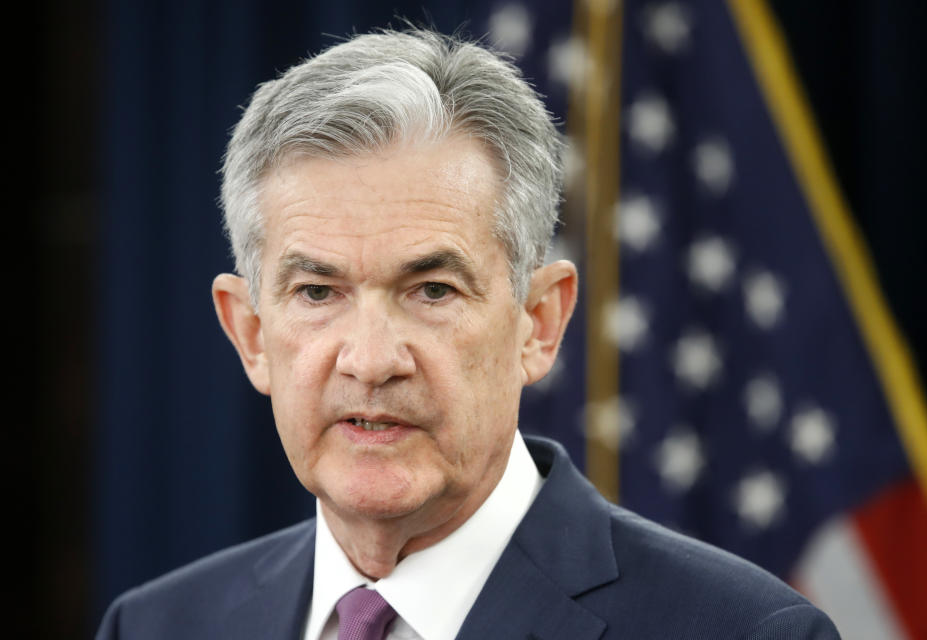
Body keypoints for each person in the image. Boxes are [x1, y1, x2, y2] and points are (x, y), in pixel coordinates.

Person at [96, 28, 839, 640]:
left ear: (538, 323)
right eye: (318, 291)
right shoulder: (156, 626)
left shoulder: (746, 633)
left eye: (432, 290)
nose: (372, 360)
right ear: (251, 334)